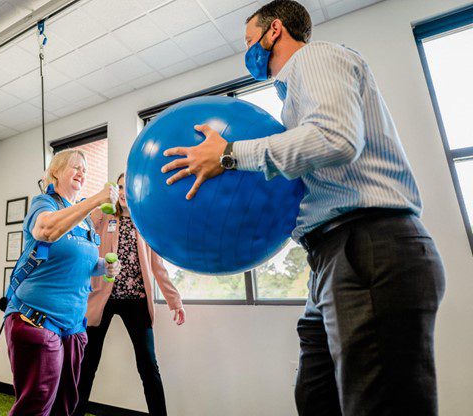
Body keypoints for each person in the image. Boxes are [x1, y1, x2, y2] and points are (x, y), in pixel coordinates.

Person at [161, 1, 446, 415]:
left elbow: (335, 138)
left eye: (249, 40)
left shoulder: (315, 58)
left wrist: (228, 155)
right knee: (316, 396)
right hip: (333, 256)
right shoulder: (292, 101)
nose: (248, 51)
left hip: (370, 246)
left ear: (274, 30)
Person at [3, 149, 121, 416]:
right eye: (75, 167)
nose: (82, 172)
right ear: (55, 171)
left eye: (85, 169)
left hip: (73, 327)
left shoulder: (85, 223)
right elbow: (46, 231)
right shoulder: (45, 204)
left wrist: (105, 266)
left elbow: (81, 263)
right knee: (36, 406)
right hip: (36, 320)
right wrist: (94, 201)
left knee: (65, 406)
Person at [73, 172, 185, 416]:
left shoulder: (144, 222)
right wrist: (102, 201)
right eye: (120, 187)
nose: (124, 193)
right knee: (87, 364)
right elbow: (85, 226)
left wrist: (174, 300)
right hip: (103, 298)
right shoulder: (103, 216)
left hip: (136, 300)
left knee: (148, 366)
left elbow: (157, 265)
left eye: (128, 187)